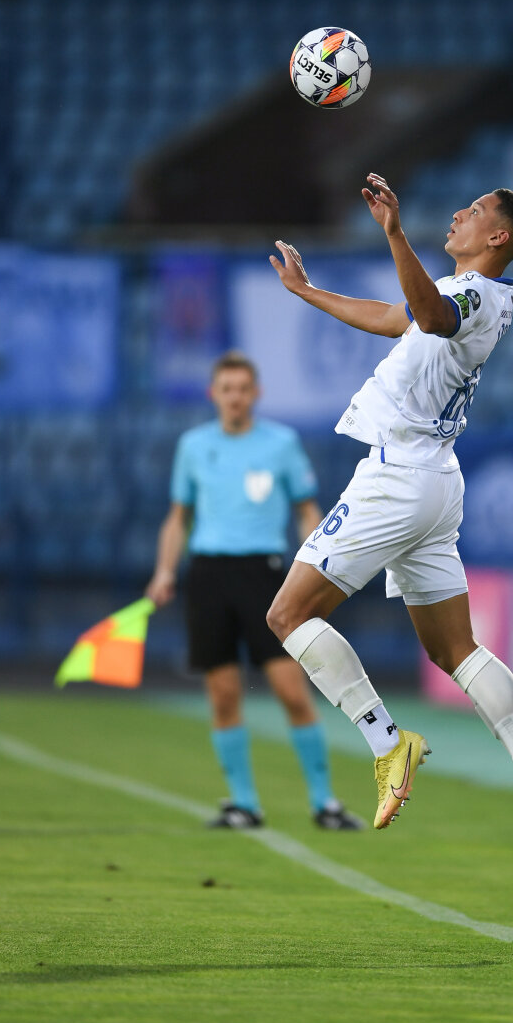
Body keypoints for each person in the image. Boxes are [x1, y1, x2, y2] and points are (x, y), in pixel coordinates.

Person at [265, 174, 513, 868]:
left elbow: (430, 316)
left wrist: (395, 233)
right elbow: (396, 315)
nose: (460, 213)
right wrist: (307, 291)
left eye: (476, 210)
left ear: (498, 236)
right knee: (455, 648)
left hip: (398, 479)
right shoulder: (477, 295)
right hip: (436, 479)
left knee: (288, 616)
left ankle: (388, 744)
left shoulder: (471, 296)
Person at [145, 349, 364, 831]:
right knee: (224, 695)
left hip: (264, 576)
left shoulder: (281, 444)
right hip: (208, 575)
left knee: (292, 691)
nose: (235, 398)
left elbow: (307, 510)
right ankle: (244, 803)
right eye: (227, 389)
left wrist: (319, 564)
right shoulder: (194, 446)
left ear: (256, 393)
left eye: (243, 389)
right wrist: (164, 571)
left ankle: (325, 802)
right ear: (214, 394)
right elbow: (178, 517)